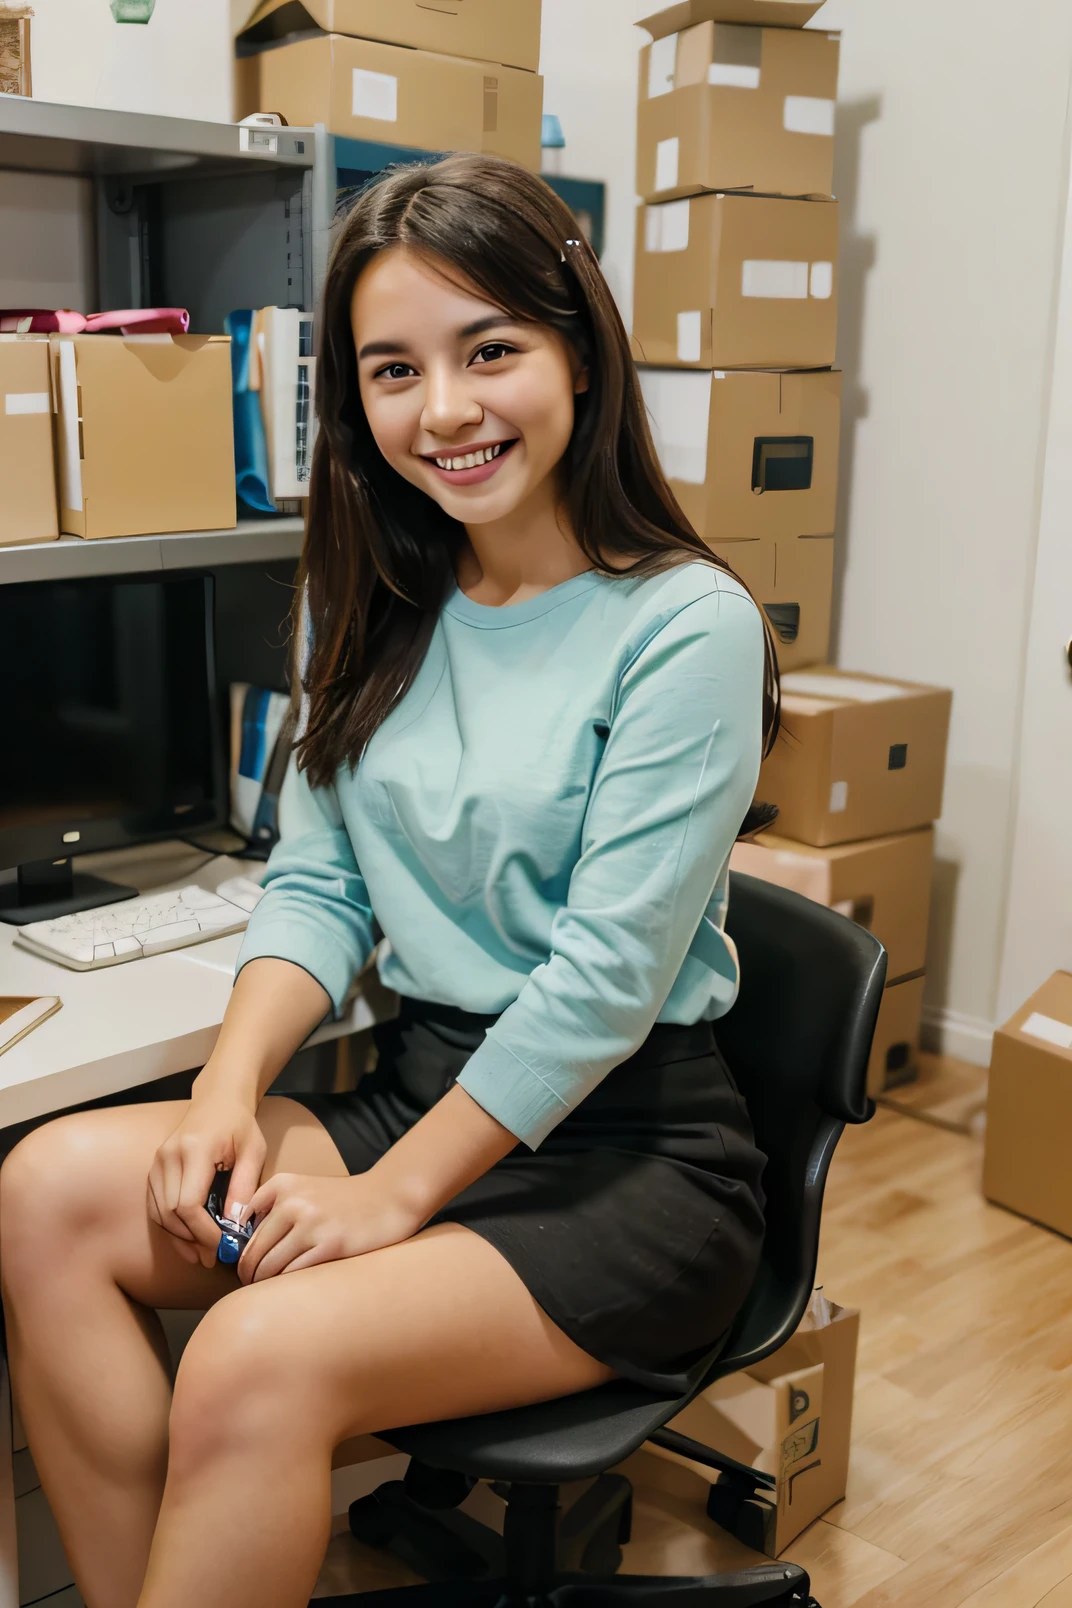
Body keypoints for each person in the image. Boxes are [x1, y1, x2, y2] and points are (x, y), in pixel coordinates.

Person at [0, 152, 779, 1608]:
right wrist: (224, 1097)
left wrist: (387, 1203)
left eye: (492, 350)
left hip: (629, 1159)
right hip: (426, 1092)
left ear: (580, 352)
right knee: (44, 1192)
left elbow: (602, 987)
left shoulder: (687, 628)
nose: (448, 410)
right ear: (353, 402)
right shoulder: (376, 606)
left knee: (255, 1348)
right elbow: (321, 880)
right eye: (393, 370)